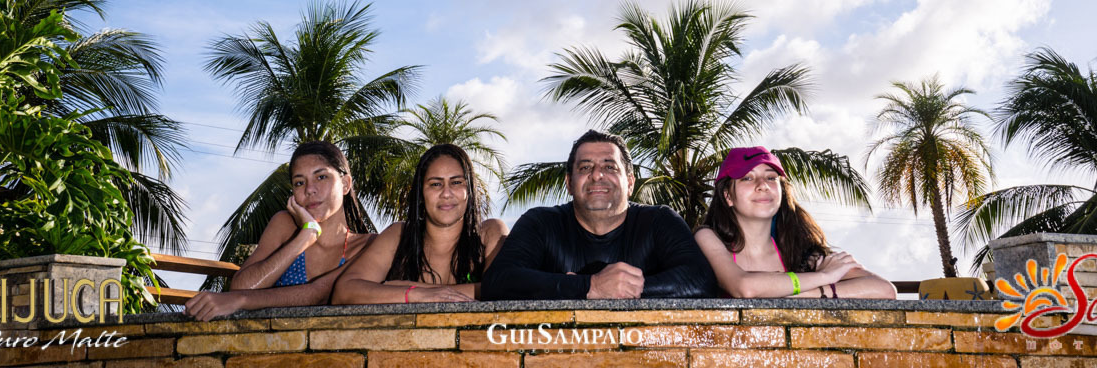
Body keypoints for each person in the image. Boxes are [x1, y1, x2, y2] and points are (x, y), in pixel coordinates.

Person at [481, 130, 718, 300]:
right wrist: (589, 286)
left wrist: (618, 288)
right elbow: (498, 282)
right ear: (569, 183)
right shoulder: (541, 223)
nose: (597, 175)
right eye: (585, 167)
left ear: (630, 182)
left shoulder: (659, 221)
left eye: (609, 167)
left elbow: (700, 279)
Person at [184, 141, 374, 321]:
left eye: (321, 177)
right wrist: (306, 236)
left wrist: (242, 300)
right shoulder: (285, 227)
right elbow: (242, 287)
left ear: (346, 184)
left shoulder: (368, 246)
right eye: (299, 182)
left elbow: (319, 294)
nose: (309, 190)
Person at [694, 146, 896, 299]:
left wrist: (812, 293)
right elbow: (745, 287)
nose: (763, 185)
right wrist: (825, 277)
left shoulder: (798, 249)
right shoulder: (708, 238)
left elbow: (884, 290)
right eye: (747, 178)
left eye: (771, 178)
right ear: (728, 196)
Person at [331, 143, 509, 303]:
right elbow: (344, 291)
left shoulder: (489, 233)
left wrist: (404, 287)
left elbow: (503, 291)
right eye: (435, 184)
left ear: (469, 191)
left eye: (456, 182)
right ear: (421, 193)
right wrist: (416, 295)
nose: (446, 193)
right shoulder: (399, 235)